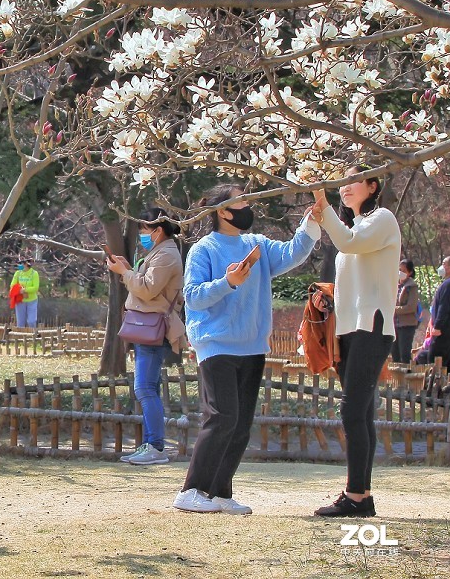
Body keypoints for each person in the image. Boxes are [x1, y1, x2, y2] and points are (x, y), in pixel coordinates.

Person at [173, 184, 319, 515]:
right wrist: (228, 283)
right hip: (215, 343)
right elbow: (193, 296)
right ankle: (192, 490)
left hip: (252, 345)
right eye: (242, 201)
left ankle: (221, 493)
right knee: (222, 416)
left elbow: (291, 254)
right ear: (223, 211)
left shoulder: (257, 245)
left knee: (240, 424)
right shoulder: (203, 250)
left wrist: (311, 223)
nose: (248, 206)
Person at [309, 167, 401, 518]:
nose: (344, 188)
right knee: (361, 413)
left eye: (352, 182)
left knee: (351, 410)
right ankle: (362, 496)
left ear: (372, 185)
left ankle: (355, 495)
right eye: (341, 183)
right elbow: (352, 265)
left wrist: (324, 206)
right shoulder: (357, 227)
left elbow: (348, 243)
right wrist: (327, 301)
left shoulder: (383, 218)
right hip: (349, 328)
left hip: (372, 327)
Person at [106, 207, 186, 466]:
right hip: (146, 325)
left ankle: (156, 446)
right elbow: (144, 283)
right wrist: (128, 269)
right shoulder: (159, 252)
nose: (141, 234)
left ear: (158, 230)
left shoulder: (166, 255)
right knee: (145, 388)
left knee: (145, 388)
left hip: (154, 328)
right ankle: (151, 444)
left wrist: (124, 273)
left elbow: (148, 289)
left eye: (144, 230)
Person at [392, 259, 420, 364]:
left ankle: (406, 377)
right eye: (399, 270)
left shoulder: (411, 286)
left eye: (403, 271)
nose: (400, 273)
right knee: (394, 353)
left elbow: (410, 307)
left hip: (406, 325)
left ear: (410, 272)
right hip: (395, 324)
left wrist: (394, 310)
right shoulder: (395, 285)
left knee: (404, 353)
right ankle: (396, 379)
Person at [10, 259, 41, 328]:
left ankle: (32, 336)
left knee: (31, 321)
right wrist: (19, 290)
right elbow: (12, 285)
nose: (19, 265)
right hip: (20, 300)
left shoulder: (34, 273)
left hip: (32, 300)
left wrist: (25, 290)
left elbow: (35, 288)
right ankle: (20, 337)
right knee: (20, 323)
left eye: (21, 263)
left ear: (26, 264)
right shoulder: (18, 273)